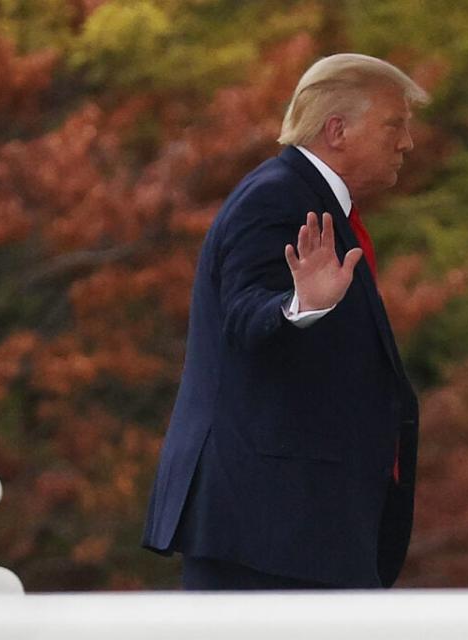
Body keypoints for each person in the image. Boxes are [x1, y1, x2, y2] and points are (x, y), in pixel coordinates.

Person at [141, 53, 428, 590]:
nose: (407, 141)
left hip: (298, 530)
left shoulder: (307, 199)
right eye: (395, 124)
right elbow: (243, 314)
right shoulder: (277, 197)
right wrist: (299, 307)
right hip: (268, 531)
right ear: (337, 130)